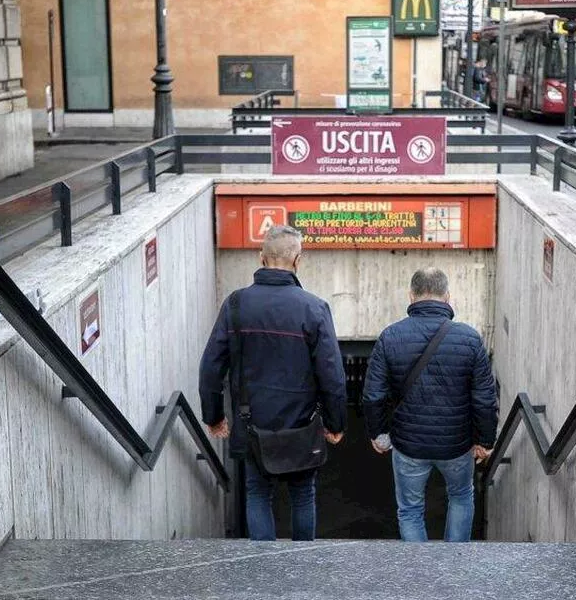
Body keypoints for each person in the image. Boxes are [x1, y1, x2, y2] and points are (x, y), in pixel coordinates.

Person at [199, 224, 347, 542]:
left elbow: (211, 365)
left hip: (253, 423)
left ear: (261, 257)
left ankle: (263, 568)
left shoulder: (236, 305)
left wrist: (213, 415)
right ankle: (301, 562)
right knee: (303, 494)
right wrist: (336, 422)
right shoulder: (314, 308)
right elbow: (332, 374)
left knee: (257, 493)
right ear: (298, 259)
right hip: (302, 423)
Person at [362, 268, 498, 542]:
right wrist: (485, 439)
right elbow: (484, 397)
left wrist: (378, 433)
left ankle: (420, 572)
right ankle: (454, 563)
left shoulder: (391, 336)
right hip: (457, 445)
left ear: (411, 296)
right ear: (447, 297)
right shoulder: (469, 338)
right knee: (460, 496)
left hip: (409, 445)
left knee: (411, 509)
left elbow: (373, 395)